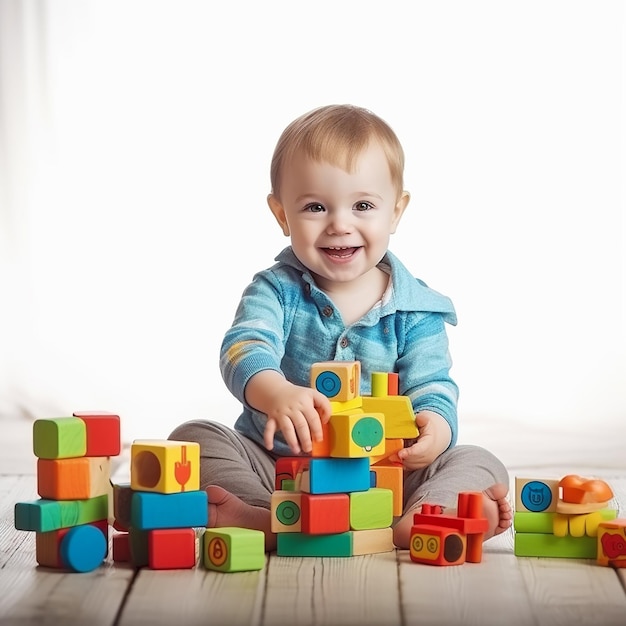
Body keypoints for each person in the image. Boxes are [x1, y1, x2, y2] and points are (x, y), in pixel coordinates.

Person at [169, 104, 512, 551]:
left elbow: (432, 385)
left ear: (396, 211)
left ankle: (427, 515)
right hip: (282, 469)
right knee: (192, 439)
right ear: (281, 215)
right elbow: (243, 346)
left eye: (363, 205)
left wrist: (434, 428)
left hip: (386, 478)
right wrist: (275, 392)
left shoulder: (417, 310)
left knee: (480, 461)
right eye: (315, 207)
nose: (340, 224)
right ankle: (261, 514)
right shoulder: (276, 291)